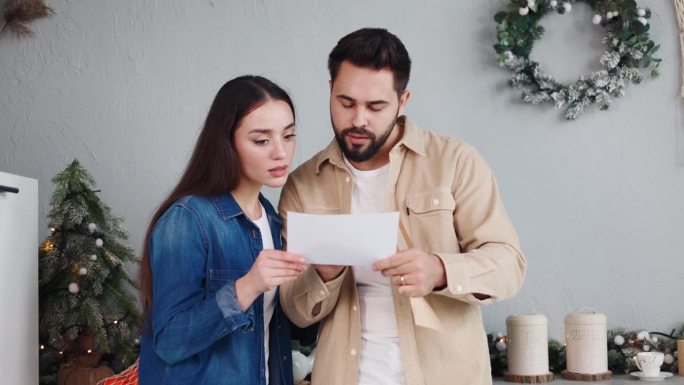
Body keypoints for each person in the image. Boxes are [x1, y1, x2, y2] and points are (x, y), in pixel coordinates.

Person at [278, 28, 527, 385]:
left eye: (375, 106)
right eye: (345, 103)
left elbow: (509, 265)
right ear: (330, 90)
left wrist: (440, 270)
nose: (358, 119)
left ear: (403, 100)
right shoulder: (303, 184)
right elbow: (295, 311)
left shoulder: (455, 161)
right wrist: (324, 275)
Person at [138, 75, 306, 385]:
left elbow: (271, 333)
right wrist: (247, 286)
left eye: (289, 135)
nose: (281, 152)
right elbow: (170, 341)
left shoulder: (269, 217)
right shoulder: (187, 219)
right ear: (227, 142)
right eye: (261, 140)